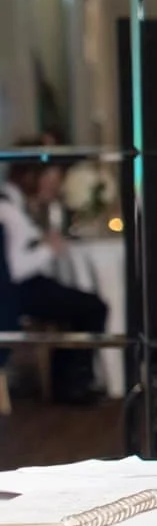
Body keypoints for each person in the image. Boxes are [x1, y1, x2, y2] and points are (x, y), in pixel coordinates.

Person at [1, 156, 109, 404]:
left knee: (83, 305)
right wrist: (49, 249)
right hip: (14, 292)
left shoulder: (20, 205)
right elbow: (11, 270)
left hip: (23, 286)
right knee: (92, 307)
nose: (55, 186)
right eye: (50, 178)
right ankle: (73, 385)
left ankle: (70, 381)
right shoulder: (7, 209)